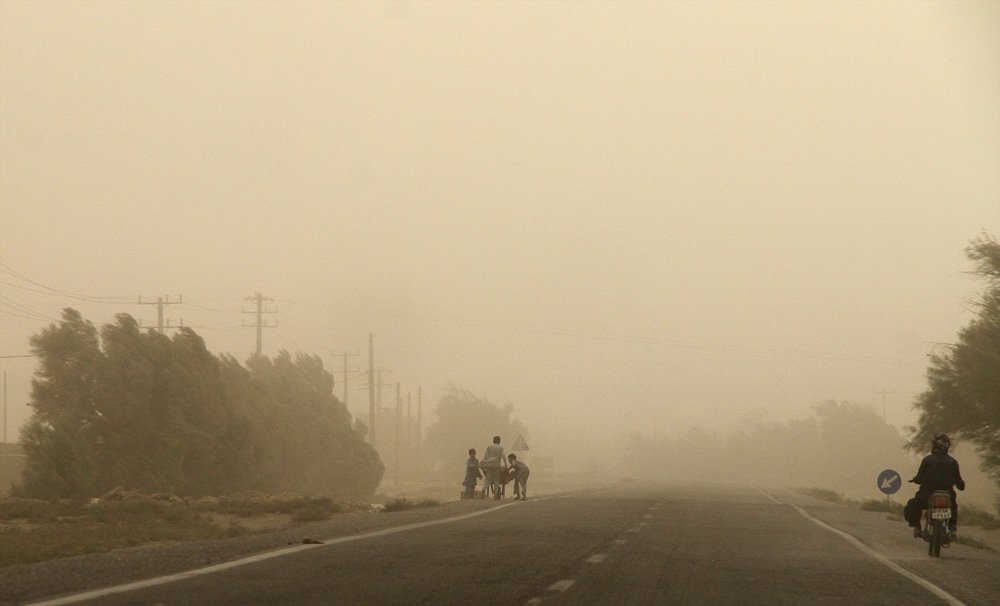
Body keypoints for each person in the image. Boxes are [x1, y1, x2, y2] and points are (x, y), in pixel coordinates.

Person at [904, 433, 965, 539]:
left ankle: (917, 527)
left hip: (927, 494)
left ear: (934, 445)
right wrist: (961, 485)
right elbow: (960, 484)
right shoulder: (953, 462)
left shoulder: (927, 460)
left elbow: (919, 478)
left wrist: (916, 480)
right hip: (948, 495)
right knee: (953, 507)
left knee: (913, 504)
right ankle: (952, 528)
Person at [480, 435, 506, 500]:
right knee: (496, 480)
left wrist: (484, 465)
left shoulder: (489, 447)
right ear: (499, 441)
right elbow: (504, 456)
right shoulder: (500, 448)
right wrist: (506, 465)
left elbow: (485, 457)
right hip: (496, 465)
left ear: (493, 441)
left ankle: (483, 489)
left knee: (488, 479)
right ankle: (495, 495)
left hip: (489, 465)